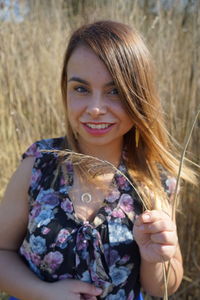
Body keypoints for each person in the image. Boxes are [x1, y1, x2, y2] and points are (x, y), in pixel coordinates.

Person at [0, 20, 196, 300]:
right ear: (65, 89)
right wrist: (42, 293)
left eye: (114, 91)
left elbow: (163, 285)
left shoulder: (154, 180)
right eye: (80, 89)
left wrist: (156, 258)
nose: (94, 108)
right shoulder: (39, 165)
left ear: (139, 96)